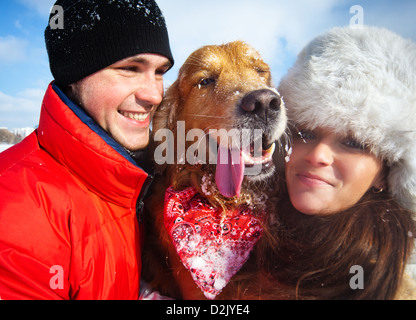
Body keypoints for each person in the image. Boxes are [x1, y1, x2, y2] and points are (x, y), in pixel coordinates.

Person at [0, 0, 174, 300]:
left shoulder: (144, 184)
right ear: (74, 75)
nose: (154, 94)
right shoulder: (15, 210)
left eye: (159, 72)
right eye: (130, 68)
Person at [271, 26, 416, 299]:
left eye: (353, 143)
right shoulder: (237, 232)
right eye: (307, 133)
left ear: (385, 174)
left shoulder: (384, 287)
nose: (318, 155)